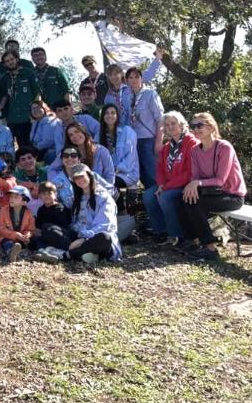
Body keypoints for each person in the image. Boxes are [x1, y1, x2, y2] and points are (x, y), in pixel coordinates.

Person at [179, 112, 246, 261]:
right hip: (212, 192)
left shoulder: (224, 147)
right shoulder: (195, 151)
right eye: (193, 126)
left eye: (199, 125)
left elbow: (221, 180)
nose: (196, 129)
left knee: (195, 203)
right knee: (184, 197)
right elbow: (195, 176)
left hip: (232, 195)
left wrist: (197, 183)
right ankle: (193, 242)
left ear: (210, 127)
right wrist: (192, 185)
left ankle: (210, 249)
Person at [144, 111, 196, 245]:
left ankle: (177, 235)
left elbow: (189, 173)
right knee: (148, 195)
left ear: (181, 124)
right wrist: (161, 185)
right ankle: (160, 231)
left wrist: (165, 187)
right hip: (167, 184)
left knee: (165, 197)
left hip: (185, 184)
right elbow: (160, 169)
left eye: (173, 123)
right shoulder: (167, 147)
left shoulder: (191, 143)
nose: (170, 127)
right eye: (167, 125)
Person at [65, 164, 122, 265]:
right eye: (76, 178)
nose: (80, 180)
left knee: (105, 238)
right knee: (49, 228)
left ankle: (69, 254)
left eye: (82, 176)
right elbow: (75, 223)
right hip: (80, 235)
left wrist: (84, 239)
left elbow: (104, 225)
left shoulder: (104, 198)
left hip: (96, 238)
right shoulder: (77, 198)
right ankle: (86, 254)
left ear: (89, 176)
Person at [127, 65, 165, 193]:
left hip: (149, 140)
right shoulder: (129, 97)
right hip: (134, 142)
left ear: (142, 79)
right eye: (130, 77)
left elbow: (160, 118)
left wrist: (159, 141)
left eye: (137, 77)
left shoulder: (150, 94)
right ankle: (152, 206)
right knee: (142, 176)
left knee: (153, 175)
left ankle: (163, 205)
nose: (134, 80)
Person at [0, 50, 39, 146]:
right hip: (11, 118)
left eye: (12, 59)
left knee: (27, 145)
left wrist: (36, 110)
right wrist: (1, 105)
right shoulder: (4, 78)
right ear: (4, 64)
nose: (10, 62)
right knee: (9, 145)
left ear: (17, 59)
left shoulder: (28, 73)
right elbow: (3, 93)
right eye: (7, 61)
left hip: (27, 116)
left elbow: (37, 93)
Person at [0, 185, 36, 263]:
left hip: (20, 239)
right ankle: (11, 253)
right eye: (11, 196)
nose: (11, 199)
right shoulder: (3, 211)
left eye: (16, 197)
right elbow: (1, 229)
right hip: (6, 237)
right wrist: (16, 235)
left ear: (24, 201)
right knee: (7, 243)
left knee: (33, 241)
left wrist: (27, 235)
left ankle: (41, 253)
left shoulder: (29, 213)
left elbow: (31, 229)